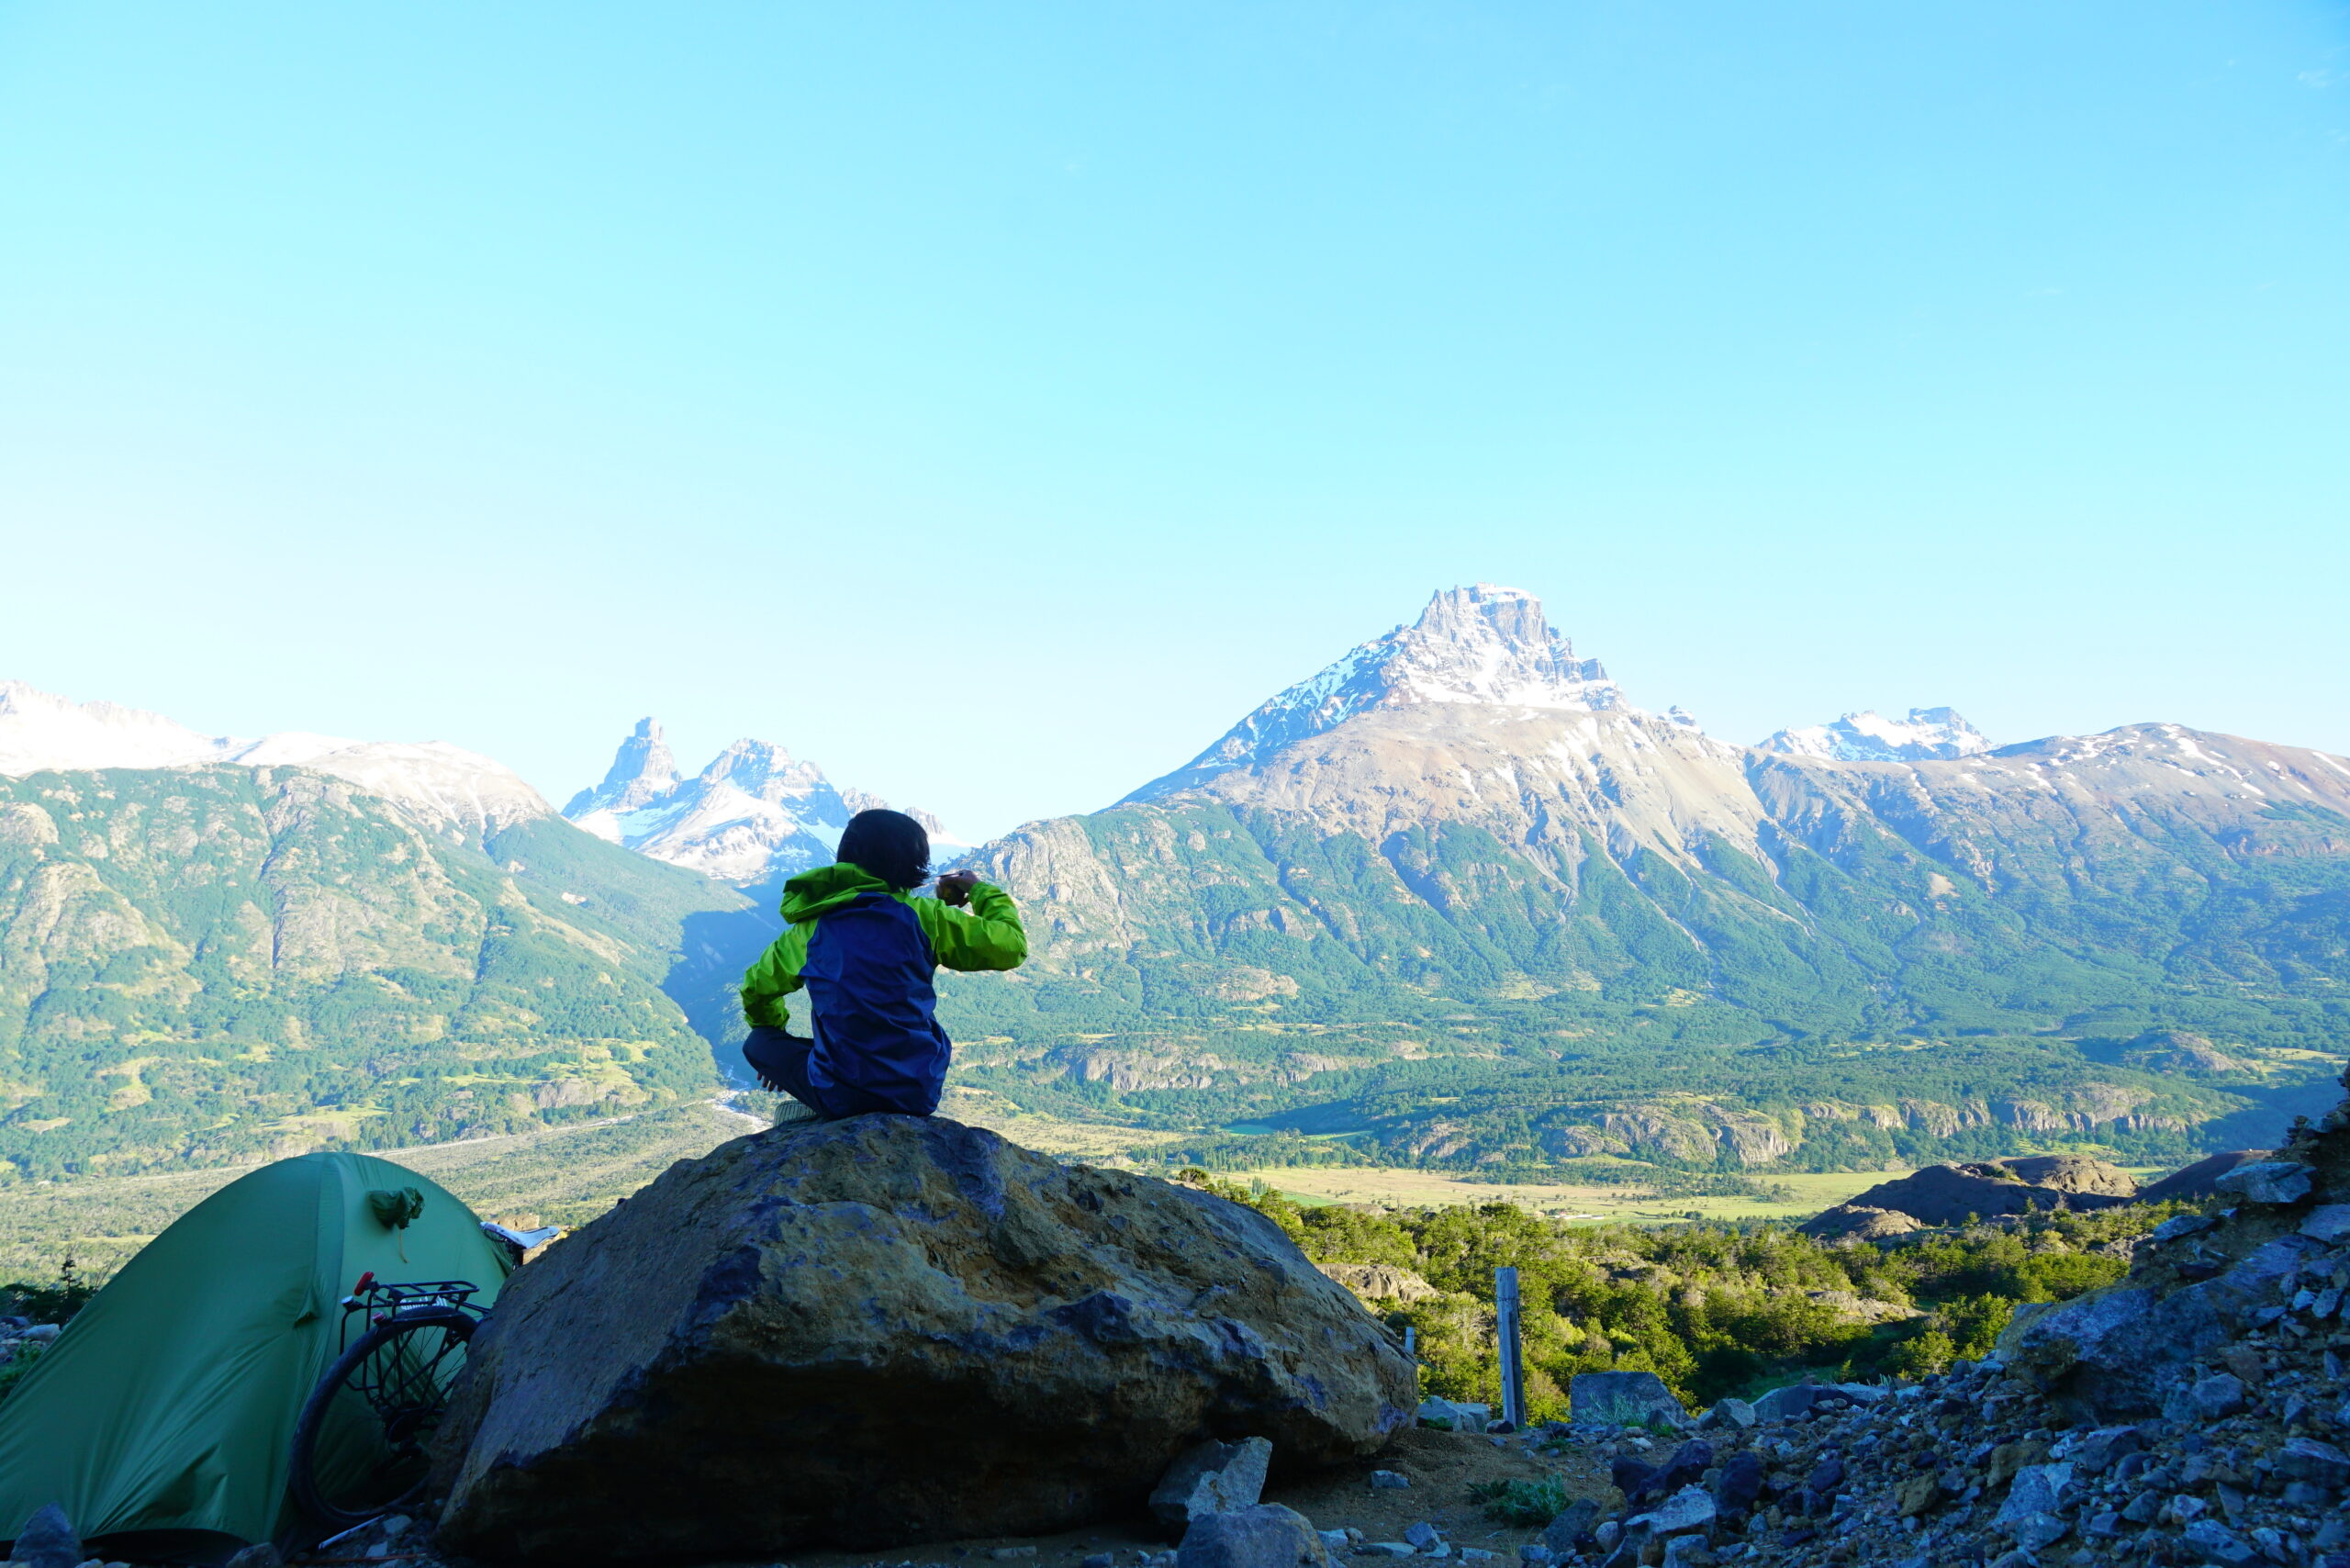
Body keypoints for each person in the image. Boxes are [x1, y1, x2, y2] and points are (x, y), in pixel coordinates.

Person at [738, 808, 1026, 1118]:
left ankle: (813, 1100)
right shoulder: (927, 917)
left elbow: (756, 990)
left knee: (759, 1041)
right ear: (914, 863)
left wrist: (779, 1041)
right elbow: (1011, 946)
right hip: (917, 1093)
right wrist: (978, 890)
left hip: (839, 1096)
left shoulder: (810, 930)